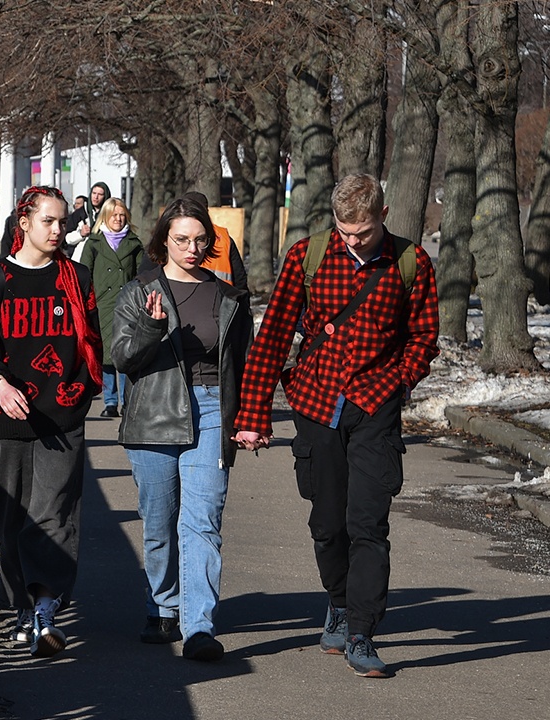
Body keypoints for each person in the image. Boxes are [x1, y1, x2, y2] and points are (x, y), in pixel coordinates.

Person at [231, 173, 440, 678]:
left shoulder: (411, 263)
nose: (352, 241)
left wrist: (401, 381)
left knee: (369, 522)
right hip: (316, 400)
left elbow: (424, 335)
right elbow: (275, 335)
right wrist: (253, 415)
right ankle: (339, 603)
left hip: (375, 407)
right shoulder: (309, 255)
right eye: (344, 231)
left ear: (383, 217)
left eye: (362, 232)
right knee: (327, 523)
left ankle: (363, 632)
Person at [0, 185, 103, 658]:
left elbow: (92, 345)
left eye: (63, 222)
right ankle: (23, 608)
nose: (58, 230)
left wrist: (78, 393)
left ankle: (46, 609)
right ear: (24, 223)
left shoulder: (77, 279)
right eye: (49, 221)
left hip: (61, 417)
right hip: (5, 418)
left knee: (56, 511)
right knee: (13, 517)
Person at [112, 195, 253, 662]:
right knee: (158, 521)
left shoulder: (228, 297)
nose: (191, 248)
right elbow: (124, 358)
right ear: (163, 241)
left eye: (199, 240)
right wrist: (153, 329)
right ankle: (164, 605)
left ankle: (198, 626)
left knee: (203, 521)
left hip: (212, 409)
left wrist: (250, 418)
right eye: (181, 240)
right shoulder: (140, 289)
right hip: (154, 411)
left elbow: (245, 366)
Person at [79, 196, 143, 418]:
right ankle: (110, 402)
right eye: (114, 214)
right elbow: (84, 275)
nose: (118, 218)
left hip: (127, 306)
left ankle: (127, 402)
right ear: (105, 216)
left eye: (122, 214)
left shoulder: (134, 244)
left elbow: (141, 276)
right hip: (102, 306)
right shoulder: (94, 243)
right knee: (106, 357)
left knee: (125, 356)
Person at [137, 191, 248, 293]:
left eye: (200, 240)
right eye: (181, 239)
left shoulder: (223, 238)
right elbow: (240, 281)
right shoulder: (224, 238)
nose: (193, 249)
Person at [66, 181, 111, 260]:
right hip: (81, 259)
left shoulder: (110, 215)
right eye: (94, 193)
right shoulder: (80, 213)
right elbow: (67, 238)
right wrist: (81, 234)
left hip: (102, 259)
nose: (96, 197)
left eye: (100, 194)